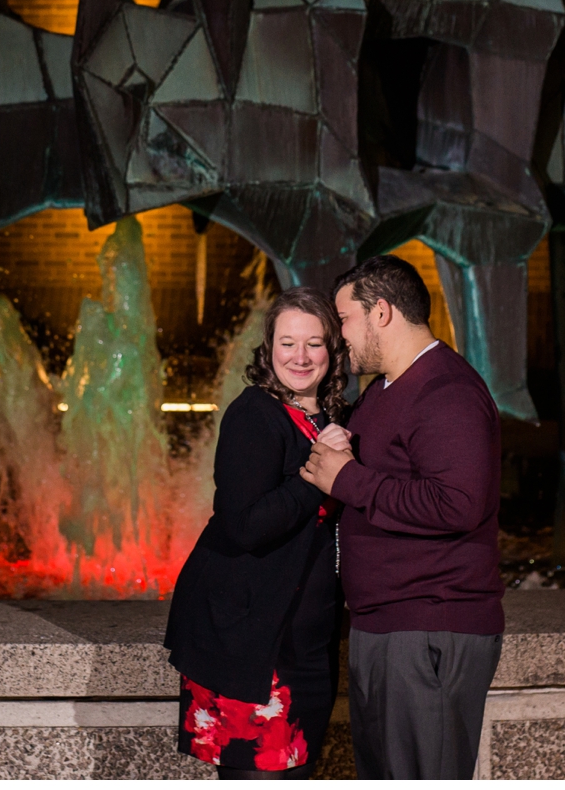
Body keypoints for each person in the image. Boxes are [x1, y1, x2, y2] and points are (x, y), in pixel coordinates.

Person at [298, 255, 503, 780]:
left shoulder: (446, 391)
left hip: (429, 626)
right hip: (388, 627)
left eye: (344, 319)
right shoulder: (387, 388)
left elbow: (457, 502)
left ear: (381, 312)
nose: (338, 336)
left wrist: (347, 479)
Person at [166, 287, 355, 778]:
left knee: (298, 774)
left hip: (306, 639)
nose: (301, 356)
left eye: (314, 343)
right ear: (268, 349)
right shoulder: (254, 415)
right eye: (287, 342)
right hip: (255, 643)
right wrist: (319, 472)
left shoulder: (330, 419)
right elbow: (243, 525)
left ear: (333, 351)